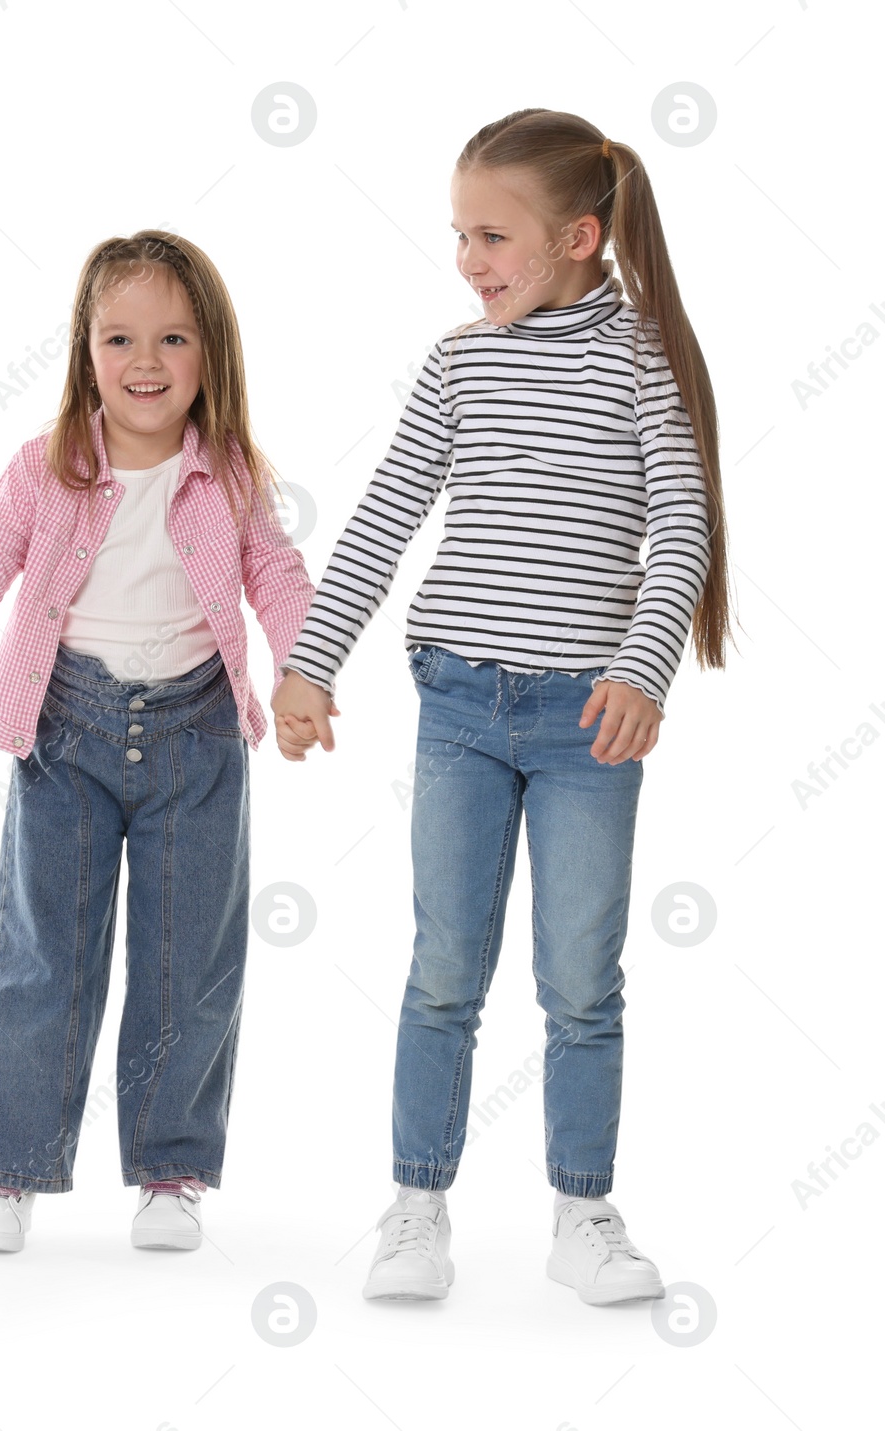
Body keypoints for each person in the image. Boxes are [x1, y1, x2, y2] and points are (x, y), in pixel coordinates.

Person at [273, 109, 730, 1305]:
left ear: (578, 236)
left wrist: (642, 666)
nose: (468, 259)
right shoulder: (457, 361)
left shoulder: (639, 357)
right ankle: (416, 1207)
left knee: (581, 980)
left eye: (491, 235)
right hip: (460, 707)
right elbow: (383, 516)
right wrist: (311, 663)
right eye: (459, 233)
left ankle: (584, 1213)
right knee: (443, 969)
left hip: (590, 719)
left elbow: (683, 522)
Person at [0, 231, 315, 1253]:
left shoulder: (232, 473)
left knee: (187, 961)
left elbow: (279, 576)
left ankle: (169, 1169)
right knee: (41, 957)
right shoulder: (47, 470)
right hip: (66, 732)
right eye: (118, 339)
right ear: (83, 352)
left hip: (196, 737)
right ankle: (8, 1172)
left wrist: (304, 670)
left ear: (212, 354)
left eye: (172, 338)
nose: (146, 363)